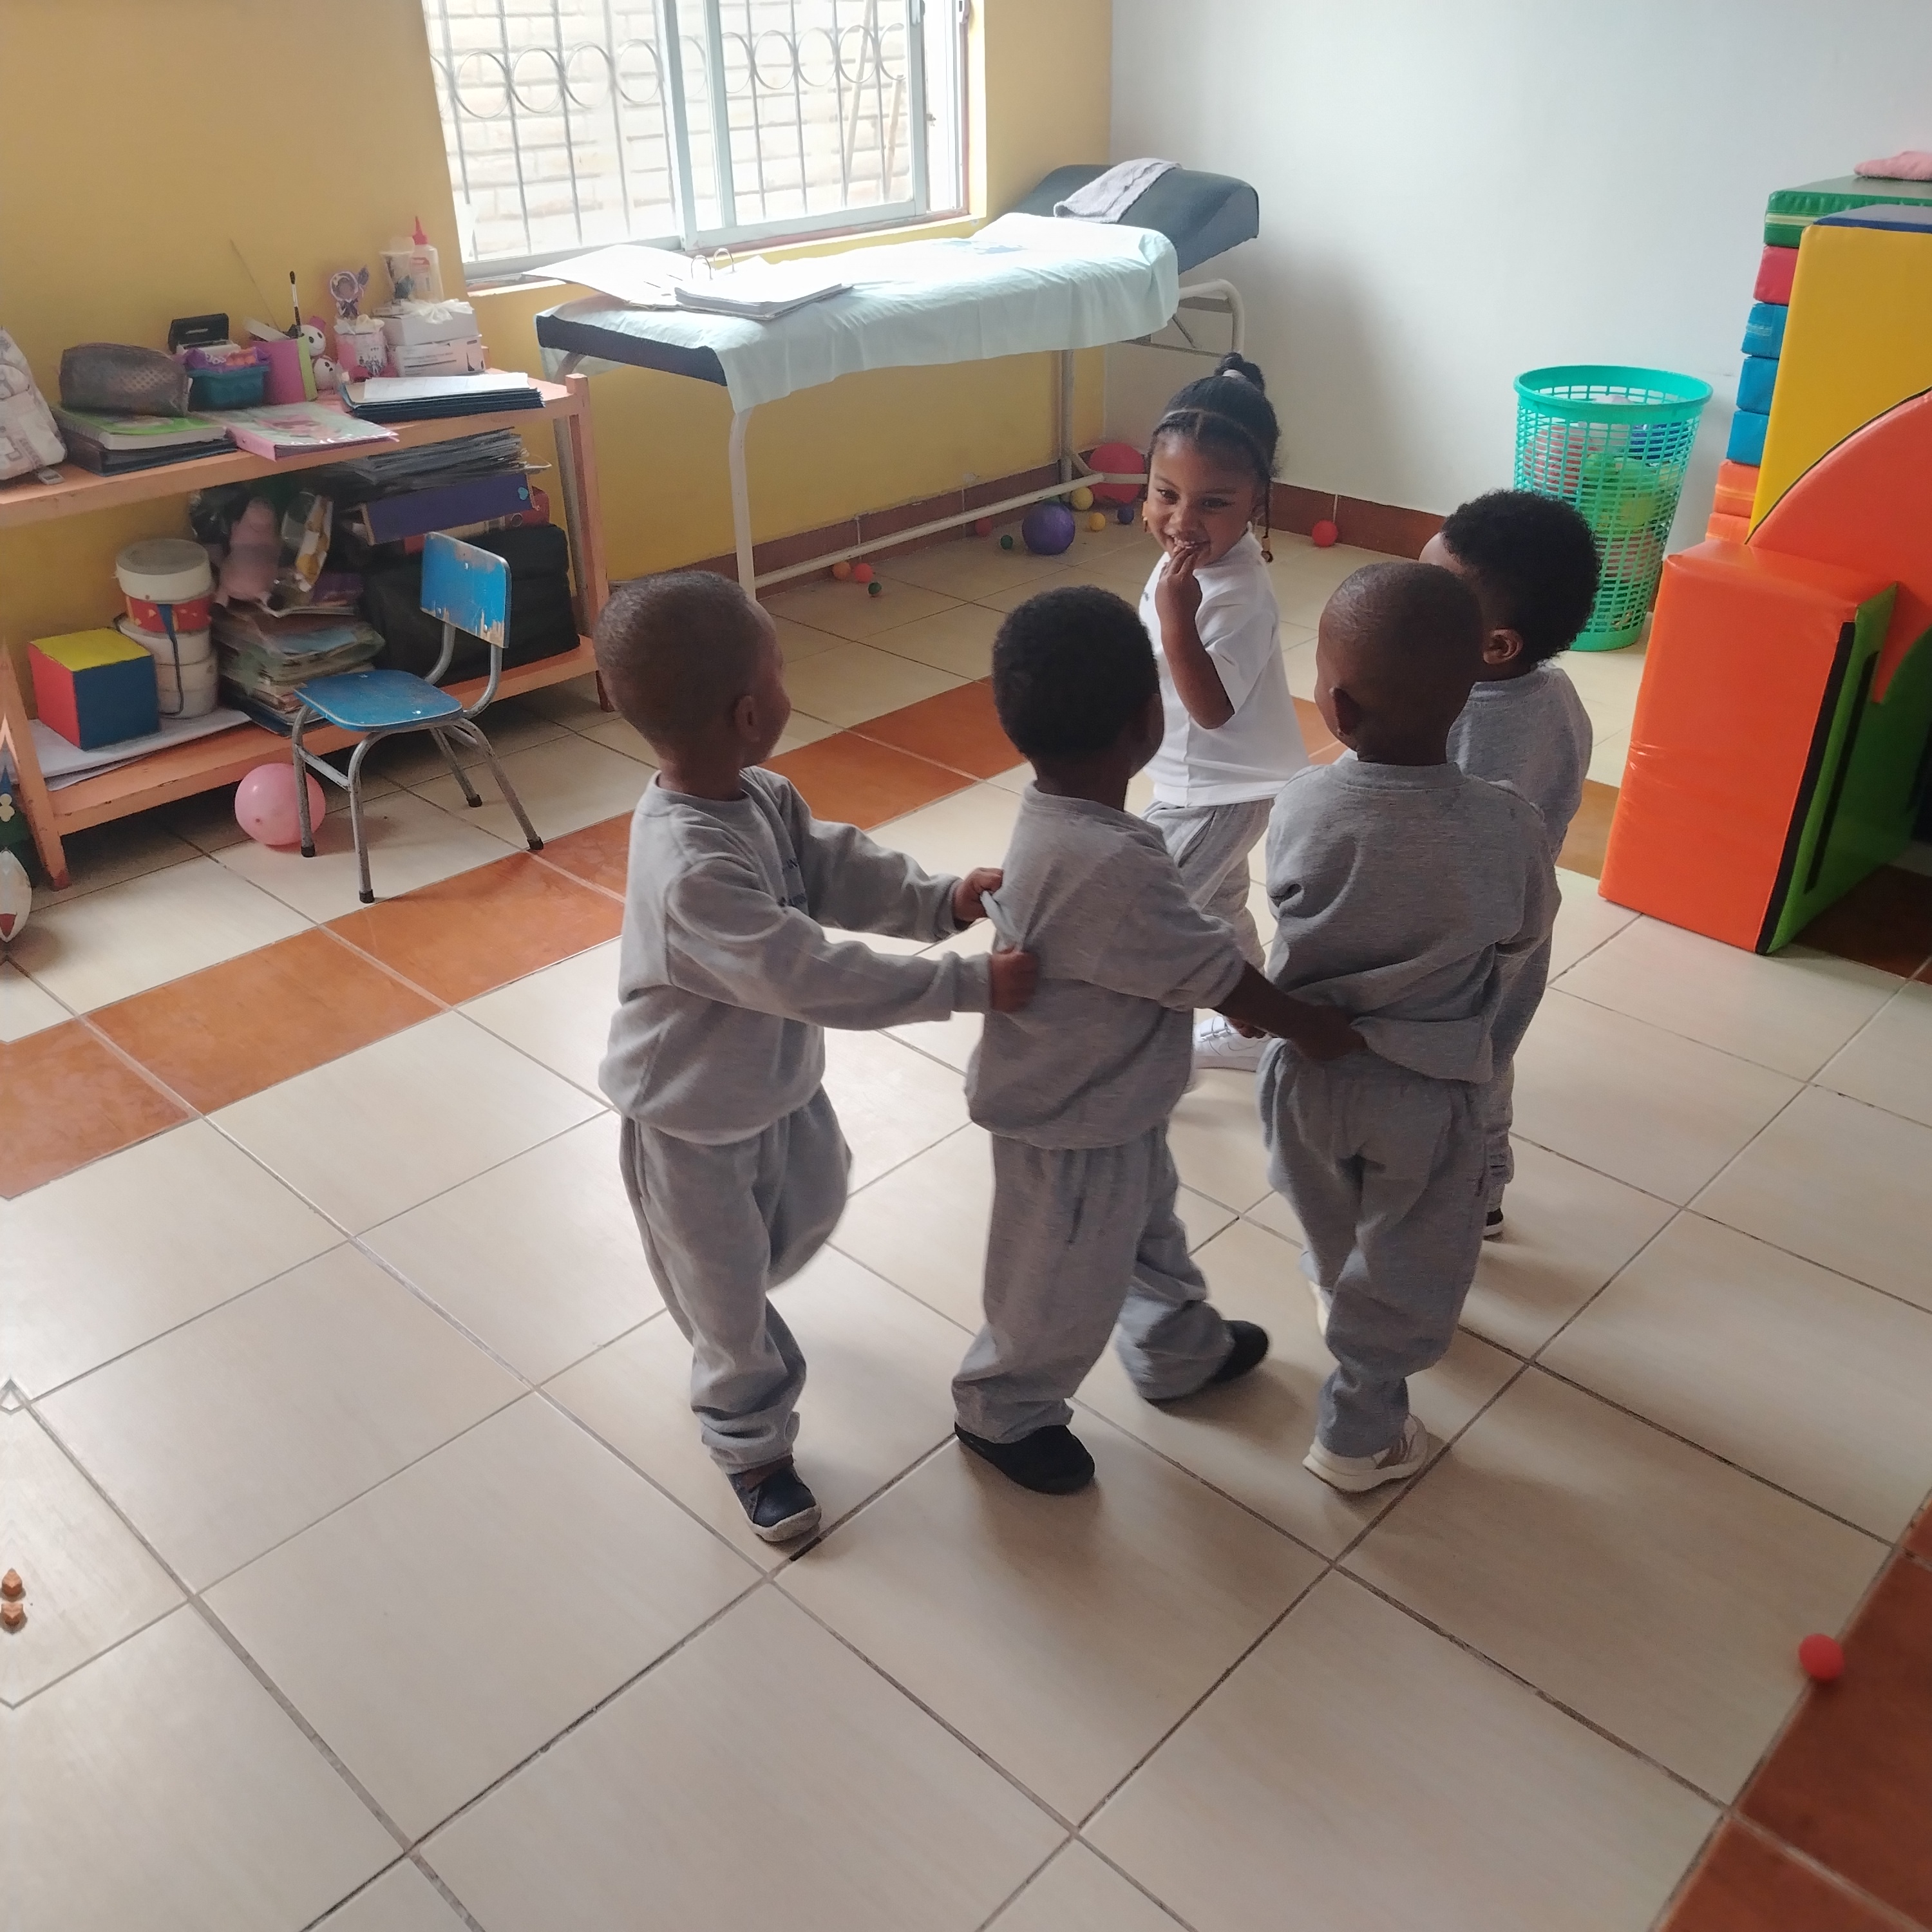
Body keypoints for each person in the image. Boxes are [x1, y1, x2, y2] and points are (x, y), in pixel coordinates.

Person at [594, 571, 1037, 1544]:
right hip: (687, 1122)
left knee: (809, 1205)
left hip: (778, 1088)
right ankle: (749, 1440)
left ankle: (735, 1303)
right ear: (749, 712)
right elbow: (810, 974)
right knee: (726, 1300)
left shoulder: (760, 795)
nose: (790, 683)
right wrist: (964, 986)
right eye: (782, 668)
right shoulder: (691, 871)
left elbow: (836, 867)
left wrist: (940, 900)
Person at [954, 585, 1363, 1497]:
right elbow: (1202, 967)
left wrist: (1240, 995)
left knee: (1146, 1231)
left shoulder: (1066, 824)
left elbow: (1172, 948)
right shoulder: (1106, 859)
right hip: (1065, 1123)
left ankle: (1177, 1349)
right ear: (1150, 722)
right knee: (1055, 1280)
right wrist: (1306, 1025)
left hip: (1113, 1100)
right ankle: (1001, 1409)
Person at [1259, 562, 1557, 1494]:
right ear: (1467, 694)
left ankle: (1333, 1283)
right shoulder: (1506, 826)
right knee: (1414, 1254)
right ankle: (1361, 1430)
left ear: (1337, 706)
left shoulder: (1302, 802)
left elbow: (1287, 906)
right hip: (1426, 1092)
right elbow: (1525, 937)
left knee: (1326, 1206)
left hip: (1305, 1076)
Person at [1420, 490, 1599, 1234]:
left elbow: (1438, 845)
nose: (1406, 601)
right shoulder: (1555, 693)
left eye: (1429, 598)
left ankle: (1464, 1193)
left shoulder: (1457, 721)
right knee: (1491, 1064)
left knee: (1459, 1076)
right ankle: (1488, 1186)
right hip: (1520, 930)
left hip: (1464, 945)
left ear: (1497, 646)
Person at [1136, 352, 1307, 1075]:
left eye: (1213, 503)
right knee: (1220, 914)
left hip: (1218, 791)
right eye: (1165, 494)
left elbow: (1209, 707)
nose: (1182, 521)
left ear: (1256, 505)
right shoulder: (1188, 562)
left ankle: (1131, 1052)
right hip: (1196, 779)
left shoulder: (1235, 593)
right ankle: (1254, 1030)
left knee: (1143, 916)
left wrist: (1178, 614)